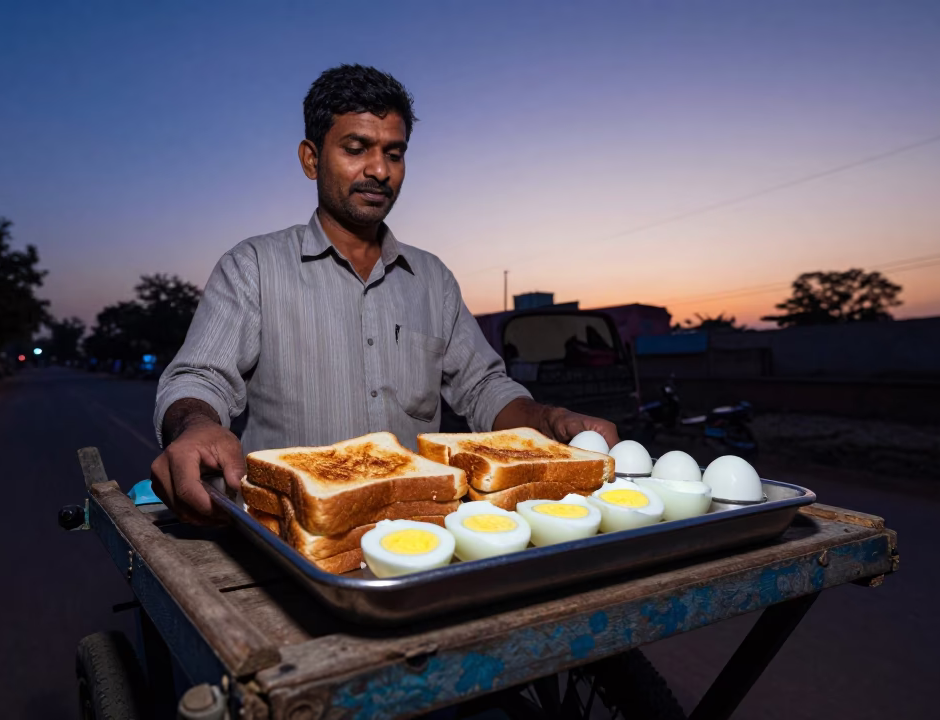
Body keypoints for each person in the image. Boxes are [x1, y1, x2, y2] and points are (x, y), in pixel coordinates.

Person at [151, 65, 619, 523]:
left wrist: (547, 419)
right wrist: (195, 426)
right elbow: (199, 377)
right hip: (292, 534)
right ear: (311, 159)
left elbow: (483, 388)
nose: (379, 169)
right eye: (357, 149)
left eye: (394, 154)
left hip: (422, 526)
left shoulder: (433, 279)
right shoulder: (253, 266)